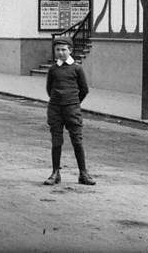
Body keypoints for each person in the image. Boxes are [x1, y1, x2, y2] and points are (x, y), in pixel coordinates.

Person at [43, 36, 94, 186]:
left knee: (77, 140)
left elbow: (84, 89)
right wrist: (58, 101)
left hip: (72, 109)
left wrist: (73, 102)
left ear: (70, 50)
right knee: (56, 141)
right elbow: (49, 89)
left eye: (64, 50)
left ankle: (83, 173)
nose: (60, 53)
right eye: (57, 50)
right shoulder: (53, 69)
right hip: (55, 109)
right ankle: (55, 173)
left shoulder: (77, 68)